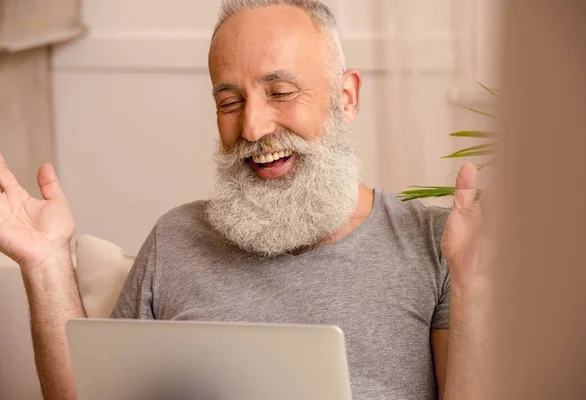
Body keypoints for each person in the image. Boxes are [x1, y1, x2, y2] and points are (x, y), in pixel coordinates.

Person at [0, 1, 492, 399]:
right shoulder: (175, 239)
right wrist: (45, 264)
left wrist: (476, 285)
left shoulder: (437, 245)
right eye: (230, 102)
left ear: (346, 98)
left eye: (280, 92)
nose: (253, 128)